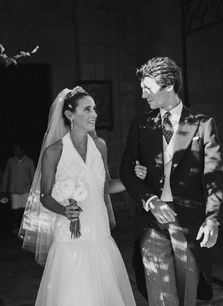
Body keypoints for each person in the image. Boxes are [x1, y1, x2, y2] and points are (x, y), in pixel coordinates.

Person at [119, 57, 223, 306]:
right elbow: (126, 171)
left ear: (168, 85)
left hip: (189, 223)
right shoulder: (141, 124)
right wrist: (150, 200)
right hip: (151, 222)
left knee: (186, 296)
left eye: (147, 87)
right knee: (161, 298)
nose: (142, 94)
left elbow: (215, 175)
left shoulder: (203, 124)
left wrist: (212, 218)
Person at [20, 86, 137, 306]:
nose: (94, 114)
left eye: (94, 108)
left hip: (100, 233)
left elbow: (107, 186)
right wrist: (65, 210)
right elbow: (45, 196)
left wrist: (135, 179)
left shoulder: (100, 146)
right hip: (70, 238)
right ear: (69, 114)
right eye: (87, 109)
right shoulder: (54, 151)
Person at [1, 143, 35, 233]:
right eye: (14, 149)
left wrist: (34, 191)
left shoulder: (29, 161)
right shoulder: (10, 161)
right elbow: (6, 176)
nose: (15, 151)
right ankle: (15, 229)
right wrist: (4, 190)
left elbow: (33, 177)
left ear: (22, 150)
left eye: (17, 149)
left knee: (25, 212)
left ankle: (25, 230)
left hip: (26, 191)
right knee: (15, 212)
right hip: (14, 191)